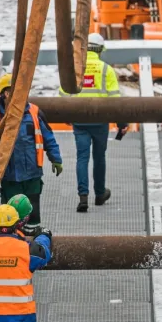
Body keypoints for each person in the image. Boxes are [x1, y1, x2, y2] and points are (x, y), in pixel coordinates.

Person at [0, 72, 63, 226]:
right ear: (5, 93)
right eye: (12, 91)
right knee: (9, 211)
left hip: (32, 172)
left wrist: (55, 158)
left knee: (32, 211)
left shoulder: (34, 113)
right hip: (7, 173)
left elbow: (48, 137)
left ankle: (33, 239)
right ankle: (10, 238)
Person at [59, 33, 128, 213]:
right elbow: (115, 100)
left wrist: (66, 115)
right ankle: (99, 194)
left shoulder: (74, 69)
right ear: (100, 50)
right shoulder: (106, 70)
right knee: (99, 157)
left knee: (82, 158)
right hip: (100, 121)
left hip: (80, 121)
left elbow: (63, 96)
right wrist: (122, 123)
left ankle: (83, 196)